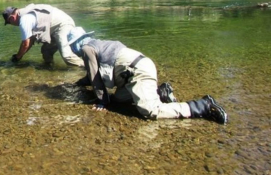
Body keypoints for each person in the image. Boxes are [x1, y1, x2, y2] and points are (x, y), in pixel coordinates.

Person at [67, 27, 228, 124]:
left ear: (77, 43)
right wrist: (78, 84)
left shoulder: (87, 49)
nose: (72, 50)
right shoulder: (99, 44)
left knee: (150, 111)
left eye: (72, 46)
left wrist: (101, 102)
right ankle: (160, 92)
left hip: (137, 72)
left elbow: (95, 79)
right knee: (117, 101)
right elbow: (91, 76)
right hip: (140, 67)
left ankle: (203, 106)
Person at [3, 4, 84, 67]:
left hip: (63, 24)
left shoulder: (24, 20)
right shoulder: (26, 13)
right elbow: (30, 41)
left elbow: (25, 44)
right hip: (55, 27)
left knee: (66, 56)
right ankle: (50, 70)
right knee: (46, 51)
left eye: (9, 23)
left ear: (12, 18)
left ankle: (87, 68)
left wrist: (17, 57)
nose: (12, 24)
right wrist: (20, 55)